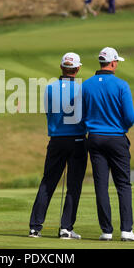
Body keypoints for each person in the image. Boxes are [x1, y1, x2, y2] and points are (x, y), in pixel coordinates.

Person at [29, 53, 88, 240]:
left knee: (48, 182)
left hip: (56, 140)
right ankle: (66, 229)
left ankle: (35, 228)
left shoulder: (50, 88)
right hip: (78, 140)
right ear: (78, 69)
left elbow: (48, 112)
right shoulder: (82, 89)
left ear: (61, 68)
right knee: (73, 185)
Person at [82, 47, 134, 241]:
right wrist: (122, 126)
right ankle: (126, 230)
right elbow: (130, 117)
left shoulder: (86, 85)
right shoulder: (122, 85)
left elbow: (81, 114)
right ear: (113, 63)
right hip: (116, 139)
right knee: (123, 184)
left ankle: (106, 231)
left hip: (95, 139)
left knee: (101, 185)